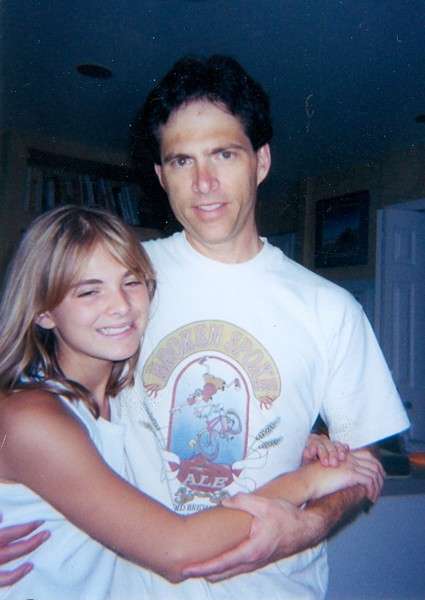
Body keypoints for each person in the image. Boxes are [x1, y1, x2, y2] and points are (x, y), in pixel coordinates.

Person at [1, 54, 409, 599]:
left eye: (224, 154)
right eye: (181, 161)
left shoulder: (330, 308)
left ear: (261, 161)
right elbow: (24, 398)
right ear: (160, 175)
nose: (204, 183)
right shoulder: (127, 277)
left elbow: (365, 461)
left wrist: (307, 524)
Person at [0, 205, 383, 600]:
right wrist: (308, 481)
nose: (121, 305)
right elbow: (177, 551)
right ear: (43, 311)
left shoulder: (115, 395)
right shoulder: (34, 416)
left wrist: (300, 441)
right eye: (89, 291)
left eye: (131, 282)